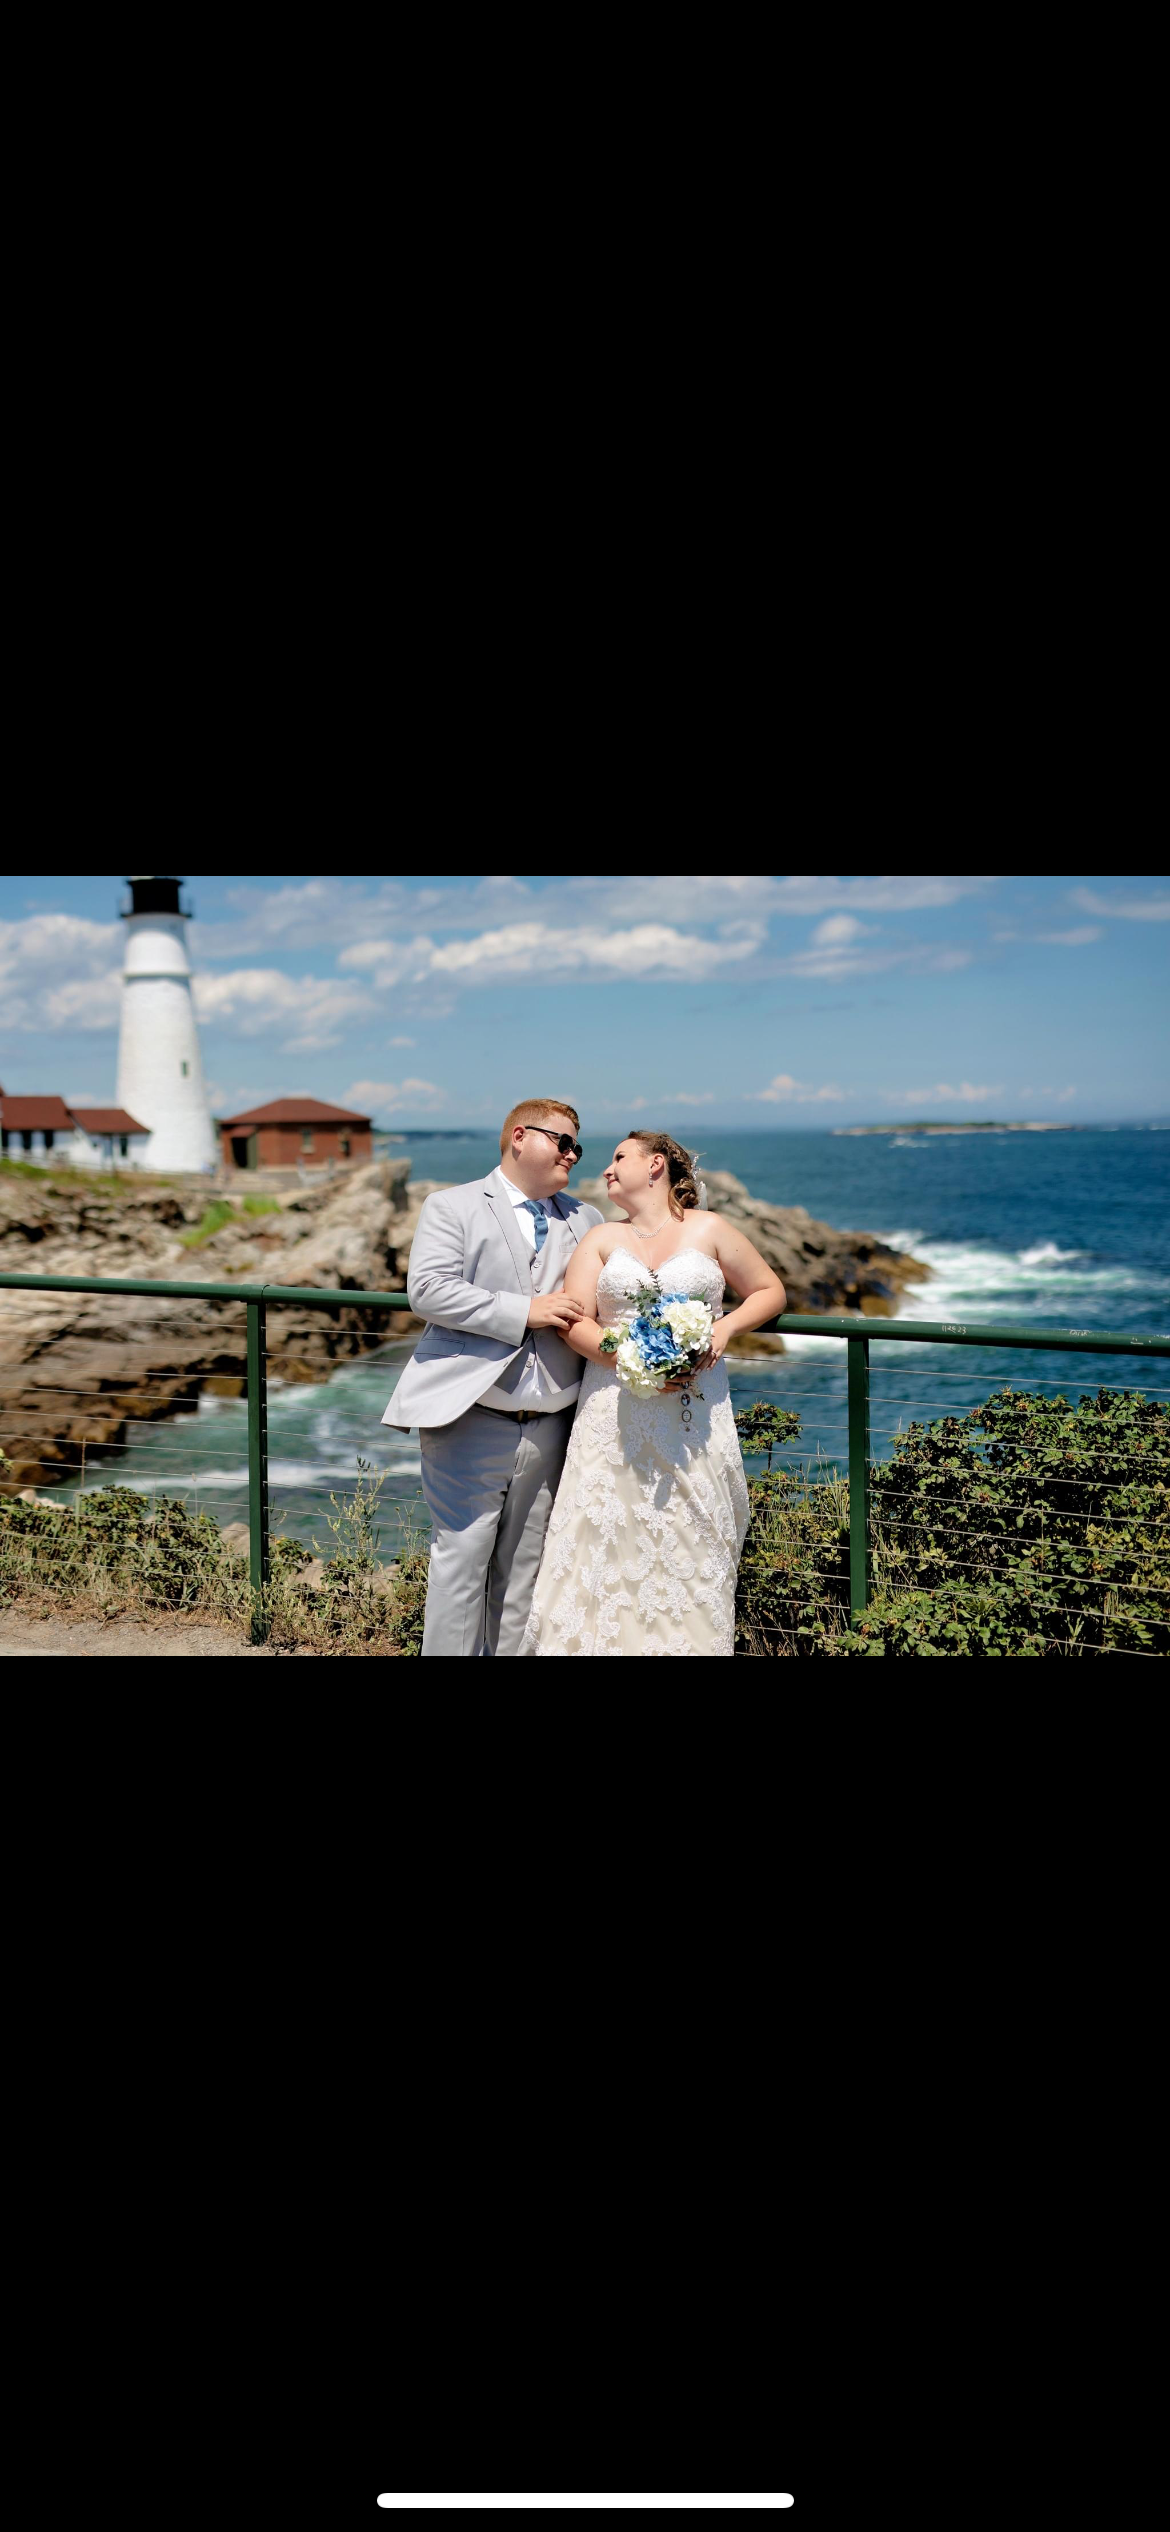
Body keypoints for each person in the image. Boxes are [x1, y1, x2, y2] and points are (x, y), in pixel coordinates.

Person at [519, 1131, 786, 1657]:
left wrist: (724, 1328)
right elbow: (574, 1321)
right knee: (605, 1542)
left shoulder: (710, 1228)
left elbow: (769, 1290)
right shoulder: (600, 1239)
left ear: (655, 1164)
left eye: (620, 1158)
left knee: (693, 1539)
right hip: (612, 1413)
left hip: (693, 1415)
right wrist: (626, 1357)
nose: (607, 1169)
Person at [382, 1099, 604, 1656]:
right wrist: (524, 1311)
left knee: (527, 1571)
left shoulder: (588, 1220)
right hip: (471, 1415)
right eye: (563, 1142)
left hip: (556, 1421)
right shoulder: (451, 1205)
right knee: (460, 1562)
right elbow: (427, 1290)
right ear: (519, 1137)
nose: (573, 1155)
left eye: (577, 1146)